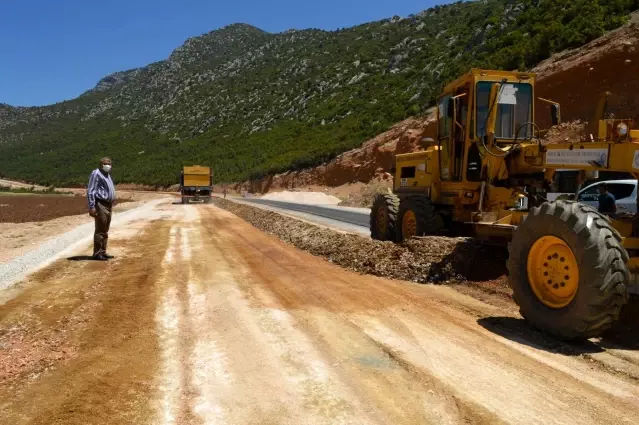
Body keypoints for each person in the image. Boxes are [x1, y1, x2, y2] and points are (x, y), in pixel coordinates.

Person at [87, 157, 116, 261]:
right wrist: (92, 206)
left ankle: (103, 251)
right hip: (100, 204)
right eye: (105, 163)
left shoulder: (107, 175)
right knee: (100, 228)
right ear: (101, 164)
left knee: (105, 228)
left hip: (108, 204)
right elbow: (91, 190)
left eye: (109, 163)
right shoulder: (96, 173)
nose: (108, 165)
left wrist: (112, 199)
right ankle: (97, 253)